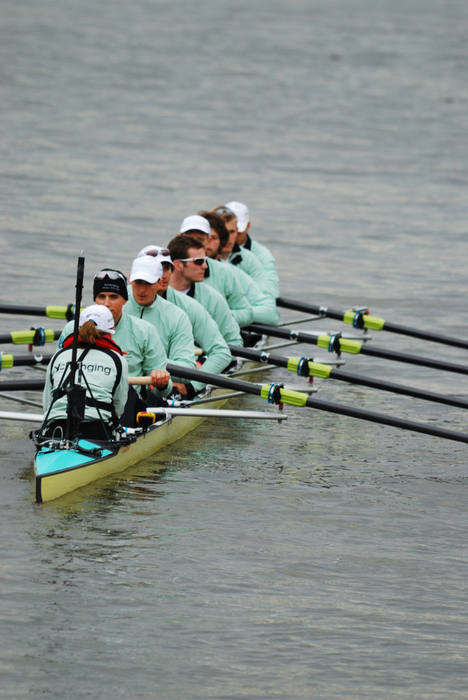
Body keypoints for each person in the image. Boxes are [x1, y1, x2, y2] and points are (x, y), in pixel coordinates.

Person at [58, 269, 172, 426]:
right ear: (95, 299)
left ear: (125, 300)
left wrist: (162, 383)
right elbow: (57, 375)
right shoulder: (72, 328)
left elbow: (165, 390)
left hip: (126, 404)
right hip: (81, 399)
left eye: (113, 297)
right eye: (101, 296)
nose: (106, 303)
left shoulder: (145, 331)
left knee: (127, 391)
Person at [136, 246, 232, 398]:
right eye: (155, 269)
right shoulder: (120, 301)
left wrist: (192, 386)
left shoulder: (188, 307)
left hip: (164, 387)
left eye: (166, 269)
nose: (162, 275)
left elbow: (221, 352)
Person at [43, 305, 128, 440]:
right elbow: (119, 404)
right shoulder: (117, 360)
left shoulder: (58, 356)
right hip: (97, 428)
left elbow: (48, 401)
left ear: (79, 328)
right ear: (111, 331)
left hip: (57, 427)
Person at [123, 254, 197, 401]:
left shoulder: (177, 317)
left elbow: (187, 369)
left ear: (160, 282)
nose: (142, 289)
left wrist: (155, 365)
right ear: (130, 279)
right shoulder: (116, 306)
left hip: (153, 390)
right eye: (138, 282)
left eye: (148, 283)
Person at [200, 211, 279, 328]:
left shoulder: (232, 271)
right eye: (199, 239)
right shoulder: (176, 269)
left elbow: (271, 313)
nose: (206, 244)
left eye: (213, 238)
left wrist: (228, 315)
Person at [166, 236, 243, 347]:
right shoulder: (154, 293)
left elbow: (234, 341)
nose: (205, 266)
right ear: (178, 265)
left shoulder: (213, 299)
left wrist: (206, 358)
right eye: (199, 261)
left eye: (205, 260)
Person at [178, 215, 254, 328]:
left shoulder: (224, 272)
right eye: (188, 239)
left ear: (208, 241)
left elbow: (246, 313)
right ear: (178, 238)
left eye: (200, 240)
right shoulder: (164, 268)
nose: (193, 245)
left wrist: (219, 317)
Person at [226, 200, 280, 301]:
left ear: (248, 226)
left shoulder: (262, 254)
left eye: (237, 231)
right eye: (225, 231)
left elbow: (272, 291)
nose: (231, 237)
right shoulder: (209, 249)